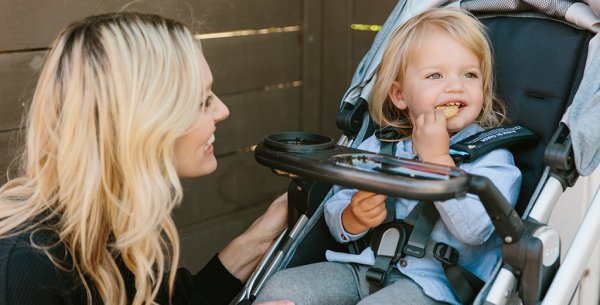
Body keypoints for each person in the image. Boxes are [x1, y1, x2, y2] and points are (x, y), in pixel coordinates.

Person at [0, 12, 292, 305]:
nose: (222, 110)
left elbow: (175, 300)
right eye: (203, 101)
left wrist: (260, 236)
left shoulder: (110, 223)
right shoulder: (26, 268)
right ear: (145, 123)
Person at [254, 8, 521, 305]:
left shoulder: (492, 157)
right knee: (281, 289)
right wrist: (352, 217)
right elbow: (339, 198)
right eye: (435, 75)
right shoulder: (382, 146)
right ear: (400, 95)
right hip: (363, 267)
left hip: (435, 287)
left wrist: (437, 159)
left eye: (470, 74)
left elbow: (476, 230)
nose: (456, 85)